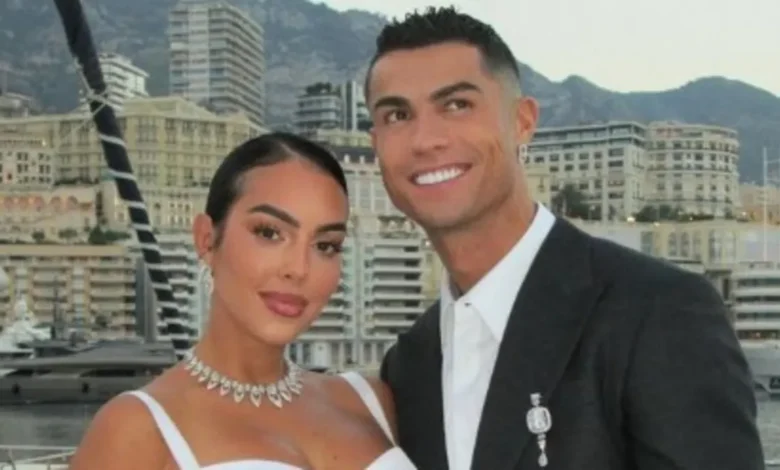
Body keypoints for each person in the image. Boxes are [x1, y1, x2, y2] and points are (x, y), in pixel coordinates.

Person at [370, 6, 764, 470]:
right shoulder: (410, 365)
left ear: (522, 121)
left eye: (456, 105)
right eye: (397, 114)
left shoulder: (657, 311)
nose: (425, 139)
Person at [69, 133, 416, 469]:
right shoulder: (135, 429)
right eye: (269, 233)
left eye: (325, 245)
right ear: (206, 240)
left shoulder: (370, 401)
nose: (298, 269)